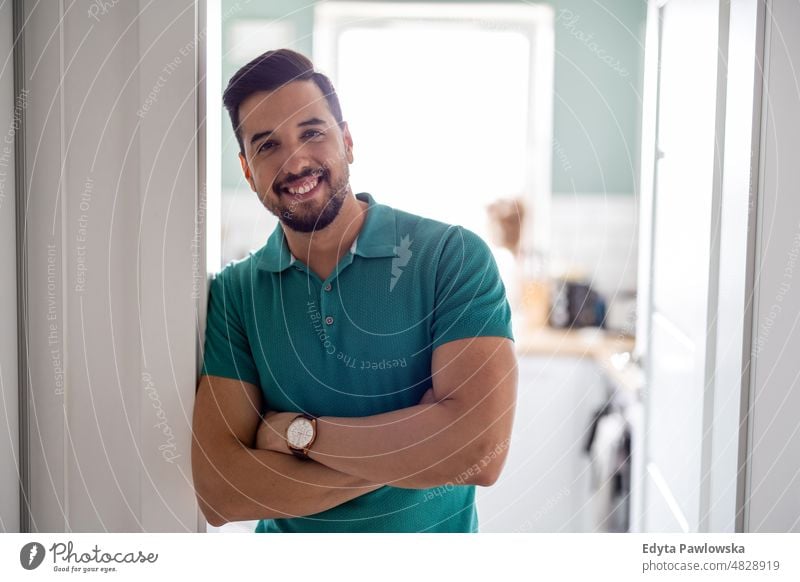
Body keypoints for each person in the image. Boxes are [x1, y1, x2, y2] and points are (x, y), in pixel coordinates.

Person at [191, 48, 518, 533]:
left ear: (346, 140)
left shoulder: (451, 257)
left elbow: (480, 451)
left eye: (312, 132)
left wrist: (298, 435)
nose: (296, 160)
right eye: (267, 146)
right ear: (247, 171)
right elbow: (220, 492)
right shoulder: (237, 294)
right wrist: (417, 451)